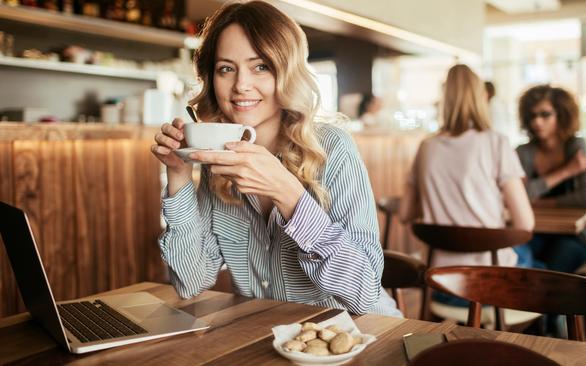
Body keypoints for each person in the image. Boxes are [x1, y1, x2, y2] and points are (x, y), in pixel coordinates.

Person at [150, 1, 400, 317]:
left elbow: (363, 295)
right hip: (271, 345)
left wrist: (289, 196)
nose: (241, 85)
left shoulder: (332, 149)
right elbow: (190, 282)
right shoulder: (219, 163)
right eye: (226, 68)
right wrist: (179, 177)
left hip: (357, 340)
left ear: (287, 72)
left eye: (261, 67)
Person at [398, 65, 535, 306]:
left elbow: (405, 213)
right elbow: (526, 225)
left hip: (440, 283)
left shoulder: (426, 147)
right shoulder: (496, 143)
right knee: (545, 261)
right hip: (490, 285)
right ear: (482, 97)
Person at [516, 85, 586, 273]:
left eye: (545, 114)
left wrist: (541, 203)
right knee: (516, 258)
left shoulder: (576, 146)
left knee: (546, 274)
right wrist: (566, 171)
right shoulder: (524, 152)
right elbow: (521, 195)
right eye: (532, 116)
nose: (537, 122)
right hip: (536, 233)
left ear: (561, 115)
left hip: (576, 237)